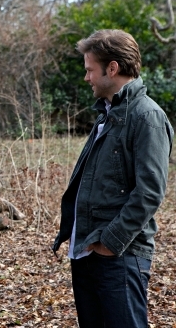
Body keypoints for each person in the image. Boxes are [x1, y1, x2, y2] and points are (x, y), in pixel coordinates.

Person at [52, 29, 174, 328]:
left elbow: (150, 192)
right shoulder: (108, 114)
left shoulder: (147, 117)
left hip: (119, 256)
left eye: (90, 70)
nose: (86, 78)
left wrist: (110, 242)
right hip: (89, 252)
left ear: (112, 68)